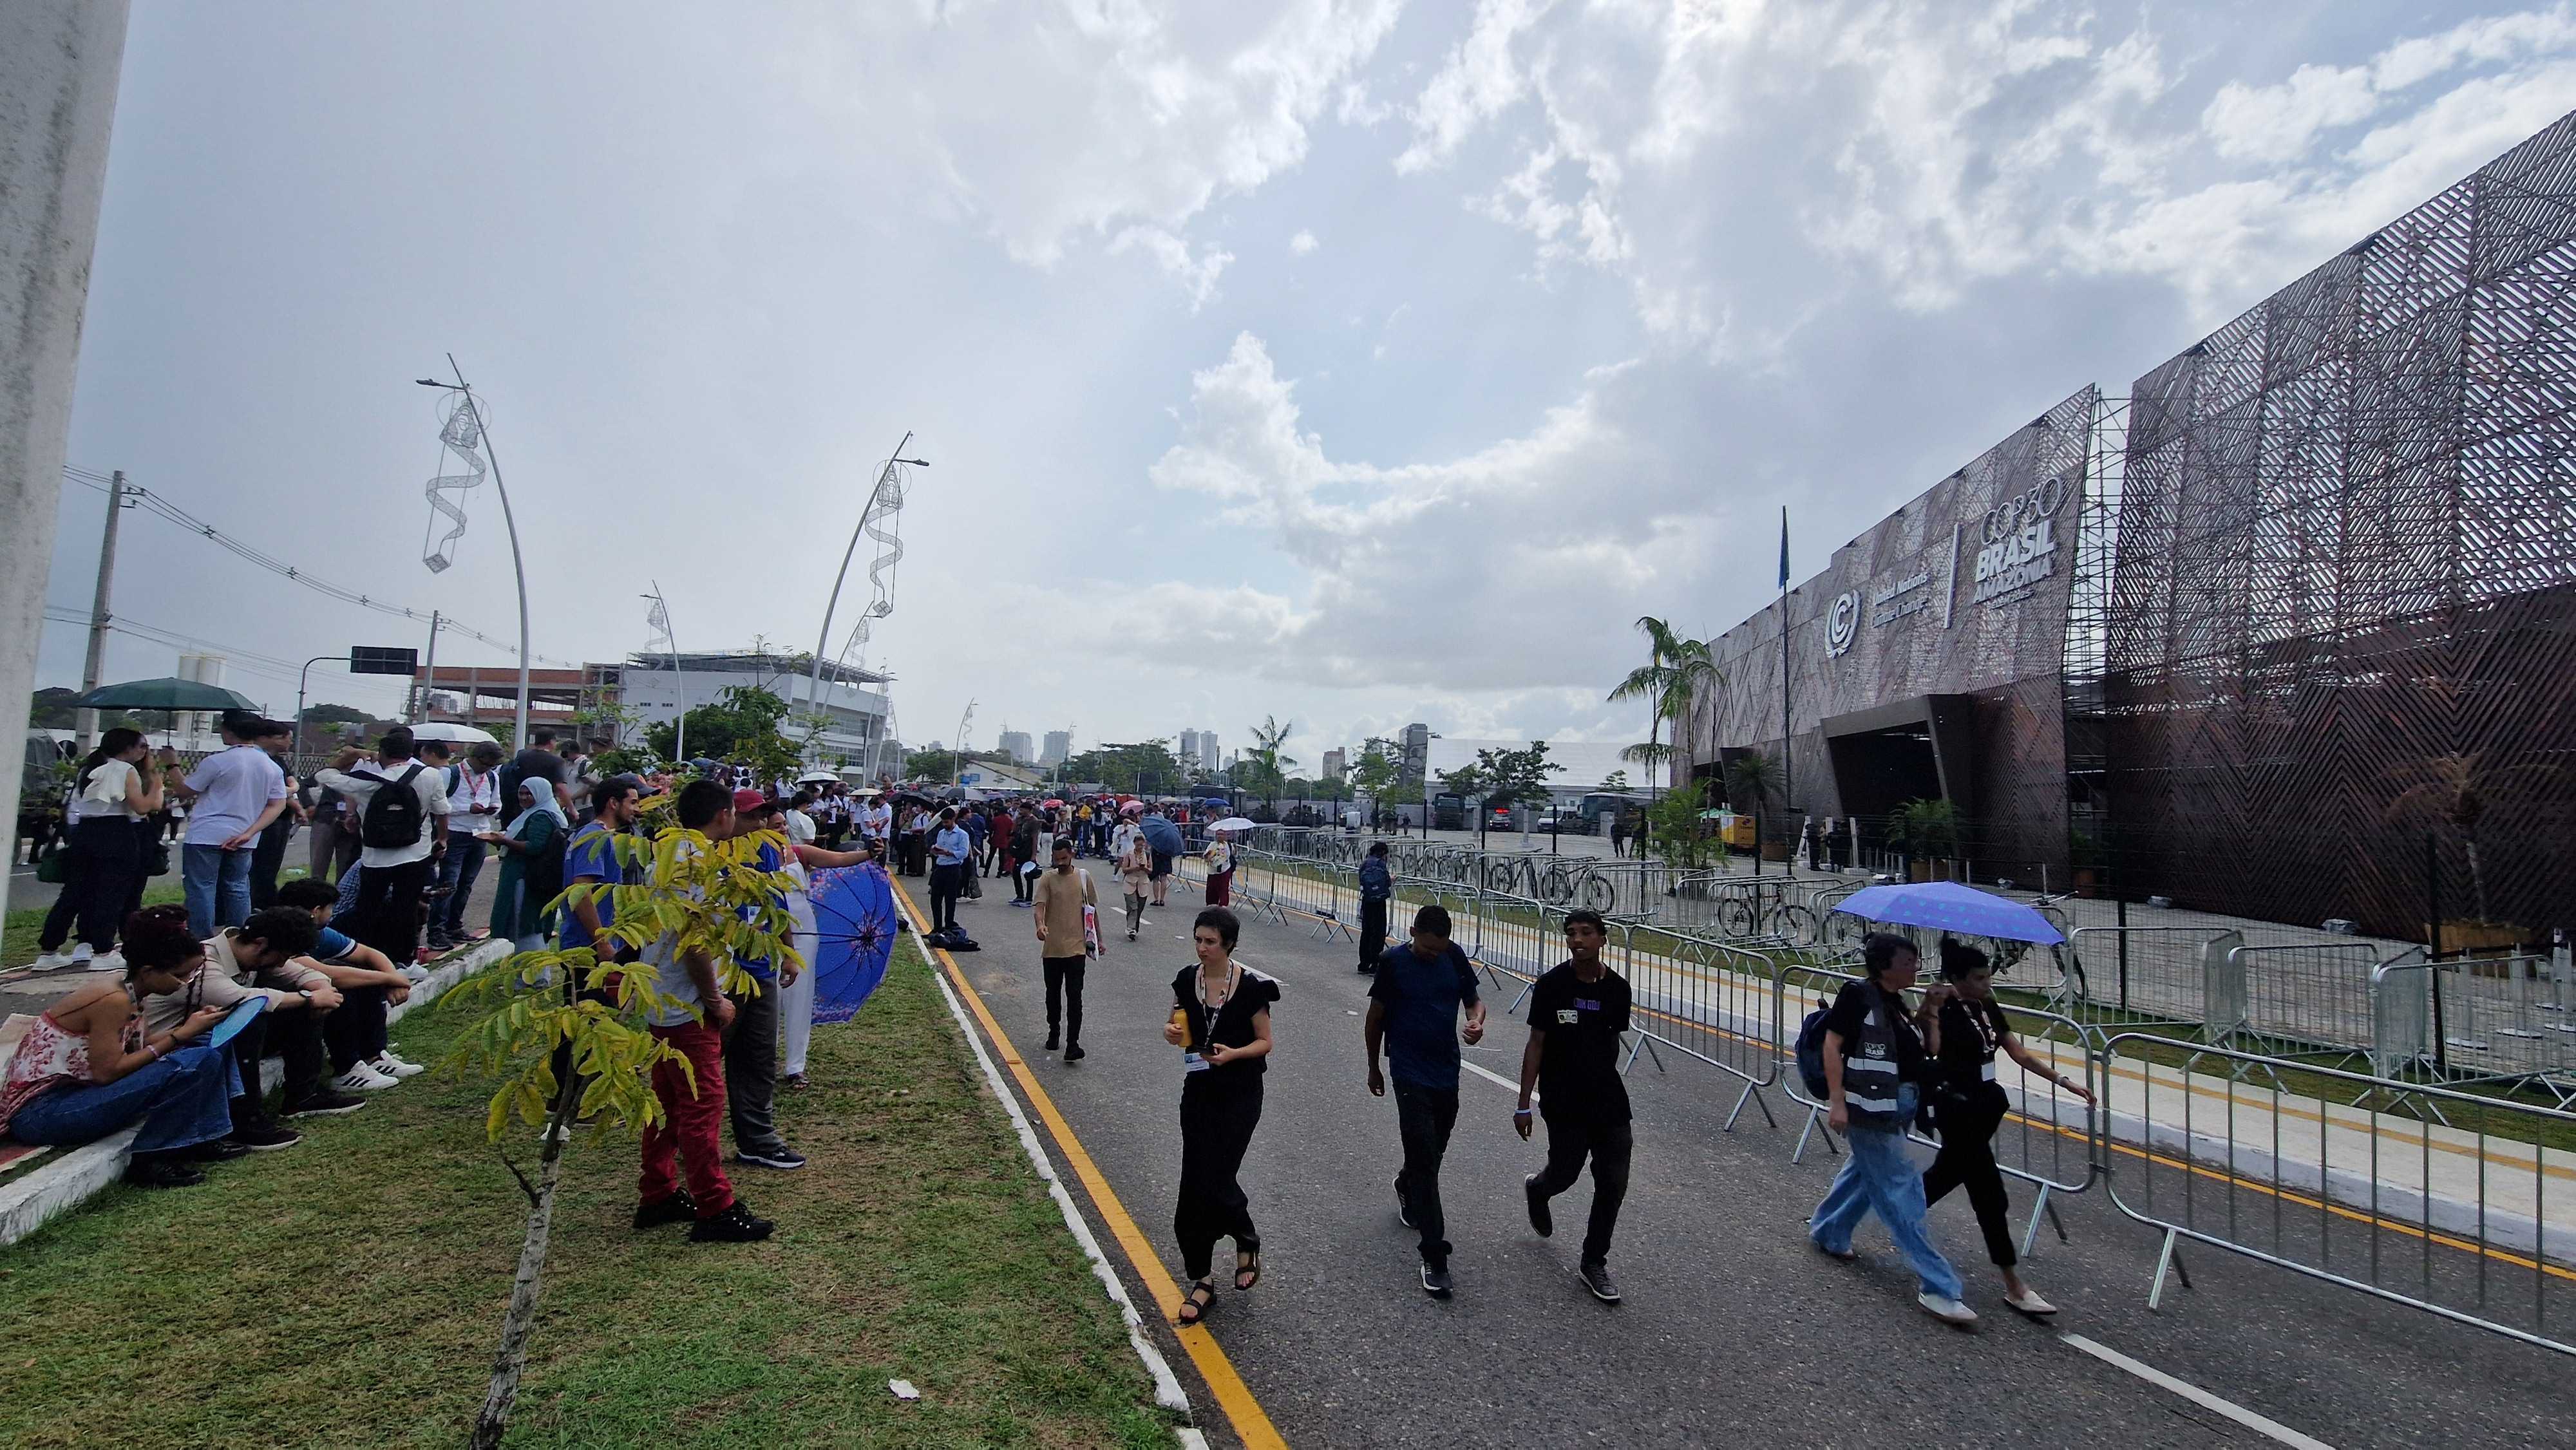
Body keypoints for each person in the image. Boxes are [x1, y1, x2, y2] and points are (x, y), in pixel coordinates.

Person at [2, 906, 242, 1187]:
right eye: (180, 976)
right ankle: (153, 1157)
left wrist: (189, 1029)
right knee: (195, 1058)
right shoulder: (113, 999)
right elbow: (107, 1072)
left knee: (209, 1043)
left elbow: (137, 1047)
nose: (185, 983)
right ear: (148, 971)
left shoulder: (133, 988)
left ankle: (204, 1135)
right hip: (45, 1113)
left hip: (79, 1096)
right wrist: (178, 1037)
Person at [1809, 932, 1978, 1326]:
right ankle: (1939, 1286)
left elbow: (1927, 1048)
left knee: (1864, 1177)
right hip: (1868, 1107)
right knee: (1902, 1191)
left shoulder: (1898, 1003)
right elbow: (1832, 1046)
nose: (1916, 968)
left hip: (1898, 1105)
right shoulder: (1857, 996)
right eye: (1908, 961)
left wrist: (1931, 1008)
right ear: (1885, 964)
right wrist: (1837, 1102)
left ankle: (1830, 1230)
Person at [1922, 937, 2094, 1317]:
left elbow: (2017, 1051)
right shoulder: (1940, 1005)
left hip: (1985, 1106)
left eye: (1988, 976)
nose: (1988, 983)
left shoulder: (1986, 1006)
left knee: (1942, 1178)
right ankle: (2014, 1285)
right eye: (1980, 978)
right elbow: (1931, 1049)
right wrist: (1931, 1009)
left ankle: (1892, 1210)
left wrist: (2064, 1081)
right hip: (1956, 1106)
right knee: (1989, 1193)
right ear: (1958, 978)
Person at [633, 778, 773, 1242]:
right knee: (701, 1107)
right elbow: (694, 942)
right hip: (688, 1006)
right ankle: (715, 1207)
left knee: (669, 1105)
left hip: (661, 999)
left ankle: (658, 1192)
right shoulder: (696, 863)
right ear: (723, 816)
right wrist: (714, 998)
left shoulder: (668, 854)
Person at [138, 903, 355, 1129]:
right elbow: (247, 999)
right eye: (281, 957)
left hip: (200, 1040)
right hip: (166, 1047)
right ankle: (247, 1120)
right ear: (260, 943)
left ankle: (304, 1096)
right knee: (252, 1015)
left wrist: (320, 991)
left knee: (301, 1004)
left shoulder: (251, 952)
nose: (281, 964)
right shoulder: (204, 963)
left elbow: (302, 972)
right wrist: (311, 998)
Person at [1162, 907, 1278, 1325]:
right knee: (1193, 1184)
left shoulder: (1250, 988)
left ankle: (1247, 1239)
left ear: (1229, 944)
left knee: (1218, 1178)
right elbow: (1175, 1028)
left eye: (1211, 942)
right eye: (1198, 940)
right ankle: (1202, 1279)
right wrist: (1172, 1033)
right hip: (1198, 1092)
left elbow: (1266, 1042)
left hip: (1241, 1094)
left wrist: (1234, 1055)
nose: (1203, 948)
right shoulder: (1185, 980)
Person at [1364, 903, 1487, 1296]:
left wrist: (1476, 1021)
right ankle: (1435, 1256)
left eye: (1440, 949)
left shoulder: (1453, 957)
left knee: (1434, 1150)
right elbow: (1375, 1017)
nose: (1433, 955)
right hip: (1407, 1069)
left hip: (1446, 1068)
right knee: (1426, 1161)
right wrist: (1373, 1067)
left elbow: (1474, 1000)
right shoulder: (1393, 963)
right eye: (1427, 948)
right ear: (1413, 931)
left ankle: (1405, 1183)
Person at [1515, 909, 1634, 1303]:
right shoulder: (1551, 986)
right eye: (1571, 934)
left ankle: (1593, 1261)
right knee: (1565, 1174)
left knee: (1613, 1181)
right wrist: (1524, 1104)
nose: (1577, 939)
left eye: (1586, 933)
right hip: (1563, 1098)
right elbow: (1536, 1044)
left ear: (1603, 938)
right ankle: (1539, 1189)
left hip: (1608, 1100)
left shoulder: (1618, 989)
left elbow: (1612, 1040)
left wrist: (1600, 1077)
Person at [31, 728, 162, 972]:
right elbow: (142, 807)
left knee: (73, 894)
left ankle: (49, 950)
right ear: (128, 749)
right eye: (141, 747)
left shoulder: (88, 768)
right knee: (110, 894)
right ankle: (102, 951)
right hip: (115, 833)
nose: (144, 752)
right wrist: (155, 784)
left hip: (85, 832)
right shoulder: (125, 769)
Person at [722, 791, 806, 1173]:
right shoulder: (707, 855)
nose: (760, 824)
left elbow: (777, 904)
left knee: (757, 1061)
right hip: (723, 974)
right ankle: (684, 1141)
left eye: (766, 816)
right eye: (752, 817)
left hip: (761, 969)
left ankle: (758, 1141)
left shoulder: (769, 851)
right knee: (704, 1063)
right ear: (728, 817)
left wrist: (787, 952)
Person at [168, 710, 290, 937]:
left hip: (207, 833)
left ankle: (201, 938)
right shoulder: (271, 766)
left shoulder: (217, 761)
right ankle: (240, 936)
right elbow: (277, 804)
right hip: (245, 836)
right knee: (237, 886)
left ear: (230, 732)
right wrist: (251, 832)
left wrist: (171, 766)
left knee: (202, 887)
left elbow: (185, 791)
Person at [429, 741, 504, 951]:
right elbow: (438, 805)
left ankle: (455, 926)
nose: (487, 769)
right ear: (476, 757)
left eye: (491, 766)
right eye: (485, 764)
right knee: (448, 884)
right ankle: (437, 931)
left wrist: (492, 809)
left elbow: (497, 802)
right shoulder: (450, 774)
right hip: (455, 832)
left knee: (466, 884)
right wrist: (467, 808)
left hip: (480, 834)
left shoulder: (492, 777)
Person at [482, 777, 567, 952]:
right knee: (528, 921)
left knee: (527, 921)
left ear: (541, 794)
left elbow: (535, 847)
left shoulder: (541, 816)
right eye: (521, 793)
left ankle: (534, 976)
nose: (524, 797)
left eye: (529, 793)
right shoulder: (533, 813)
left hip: (527, 878)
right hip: (531, 877)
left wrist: (504, 841)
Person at [1032, 839, 1099, 1060]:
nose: (1060, 862)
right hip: (1052, 948)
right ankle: (1054, 1031)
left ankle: (1073, 1044)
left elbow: (1092, 910)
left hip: (1076, 948)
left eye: (1064, 858)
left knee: (1075, 996)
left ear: (1071, 854)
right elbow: (1039, 907)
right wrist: (1040, 926)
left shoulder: (1083, 877)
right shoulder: (1047, 879)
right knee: (1052, 995)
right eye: (1056, 859)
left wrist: (1099, 939)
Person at [247, 722, 303, 911]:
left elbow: (290, 782)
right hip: (266, 820)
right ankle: (260, 904)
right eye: (288, 738)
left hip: (282, 819)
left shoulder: (278, 760)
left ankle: (265, 901)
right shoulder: (259, 760)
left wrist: (293, 794)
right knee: (260, 866)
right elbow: (277, 790)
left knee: (270, 865)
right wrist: (291, 791)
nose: (290, 743)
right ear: (269, 738)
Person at [928, 807, 971, 934]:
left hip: (953, 868)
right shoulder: (942, 833)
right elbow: (938, 849)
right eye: (943, 822)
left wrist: (950, 853)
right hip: (940, 867)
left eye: (947, 822)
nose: (945, 825)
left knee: (950, 899)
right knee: (935, 898)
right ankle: (937, 927)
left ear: (953, 819)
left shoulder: (962, 835)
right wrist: (935, 850)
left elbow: (964, 853)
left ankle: (949, 926)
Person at [1356, 841, 1392, 976]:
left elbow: (1361, 880)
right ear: (1383, 853)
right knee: (1378, 932)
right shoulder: (1380, 864)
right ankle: (1375, 963)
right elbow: (1387, 882)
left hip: (1367, 900)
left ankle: (1363, 963)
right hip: (1379, 901)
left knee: (1367, 931)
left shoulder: (1365, 863)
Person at [1117, 825, 1153, 943]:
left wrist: (1145, 869)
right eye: (1138, 845)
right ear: (1134, 844)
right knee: (1133, 906)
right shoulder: (1129, 854)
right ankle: (1131, 929)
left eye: (1142, 845)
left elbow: (1151, 870)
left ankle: (1134, 927)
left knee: (1139, 908)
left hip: (1143, 884)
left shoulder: (1147, 855)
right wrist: (1135, 868)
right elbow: (1124, 869)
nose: (1140, 847)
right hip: (1130, 883)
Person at [1145, 808, 1175, 908]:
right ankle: (1162, 899)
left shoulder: (1157, 832)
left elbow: (1150, 844)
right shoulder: (1171, 834)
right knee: (1164, 878)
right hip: (1166, 856)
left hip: (1156, 855)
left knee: (1155, 878)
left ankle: (1156, 899)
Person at [1011, 807, 1041, 906]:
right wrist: (1017, 820)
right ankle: (1019, 896)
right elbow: (1013, 831)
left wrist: (1034, 854)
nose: (1021, 812)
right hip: (1020, 850)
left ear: (1029, 810)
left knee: (1029, 875)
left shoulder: (1034, 821)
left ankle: (1029, 898)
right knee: (1015, 872)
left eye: (1023, 810)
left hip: (1028, 851)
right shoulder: (1020, 819)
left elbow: (1035, 838)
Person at [1202, 831, 1235, 907]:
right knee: (1212, 889)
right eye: (1218, 834)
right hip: (1213, 871)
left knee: (1224, 889)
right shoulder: (1212, 845)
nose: (1220, 836)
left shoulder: (1229, 845)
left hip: (1225, 870)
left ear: (1225, 835)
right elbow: (1206, 856)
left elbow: (1233, 854)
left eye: (1222, 834)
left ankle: (1223, 905)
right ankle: (1211, 905)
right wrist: (1209, 855)